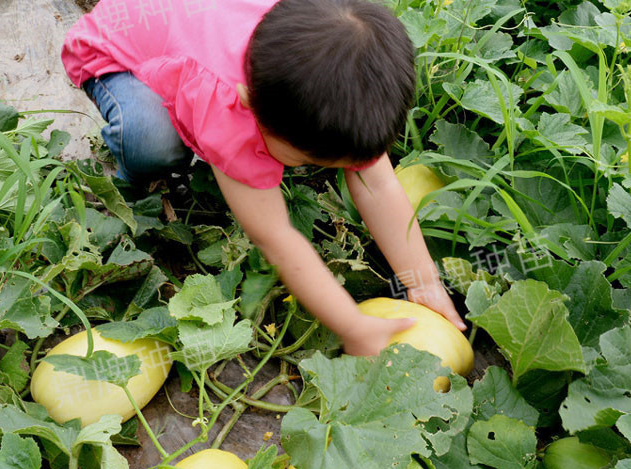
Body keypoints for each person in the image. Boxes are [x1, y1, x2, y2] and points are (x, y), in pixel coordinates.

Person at [61, 0, 466, 356]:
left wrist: (423, 282)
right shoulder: (229, 110)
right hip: (117, 48)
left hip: (189, 23)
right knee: (152, 142)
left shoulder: (327, 64)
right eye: (308, 159)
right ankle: (133, 175)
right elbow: (277, 238)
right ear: (249, 105)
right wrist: (353, 326)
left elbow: (379, 184)